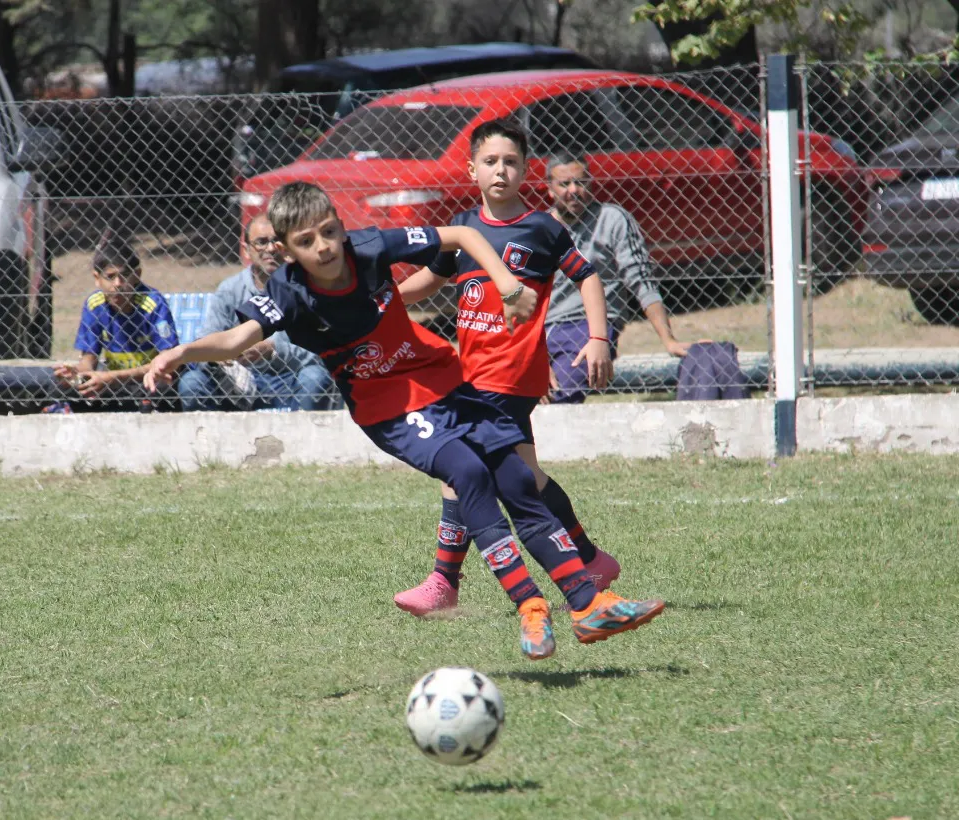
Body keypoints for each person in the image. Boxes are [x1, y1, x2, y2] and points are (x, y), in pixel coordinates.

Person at [144, 181, 664, 661]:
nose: (324, 246)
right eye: (307, 240)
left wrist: (505, 282)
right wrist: (180, 352)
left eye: (330, 230)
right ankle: (531, 609)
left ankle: (585, 603)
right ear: (285, 249)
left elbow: (460, 234)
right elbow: (236, 341)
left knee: (515, 475)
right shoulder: (288, 293)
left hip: (440, 377)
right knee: (468, 471)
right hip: (386, 406)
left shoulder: (370, 248)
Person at [394, 120, 624, 618]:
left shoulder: (541, 229)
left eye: (512, 162)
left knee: (458, 473)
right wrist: (380, 302)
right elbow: (428, 281)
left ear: (526, 171)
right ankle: (590, 559)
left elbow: (588, 278)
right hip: (472, 375)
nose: (501, 170)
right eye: (491, 161)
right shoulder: (463, 228)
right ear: (472, 169)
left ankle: (444, 582)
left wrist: (598, 337)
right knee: (526, 476)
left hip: (509, 375)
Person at [543, 150, 689, 403]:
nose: (573, 191)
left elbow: (641, 280)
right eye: (564, 184)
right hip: (542, 331)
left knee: (561, 392)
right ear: (549, 189)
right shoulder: (539, 227)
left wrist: (669, 340)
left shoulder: (612, 219)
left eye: (581, 182)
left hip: (589, 326)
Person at [178, 214, 337, 411]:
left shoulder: (306, 288)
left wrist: (272, 349)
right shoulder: (230, 289)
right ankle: (206, 441)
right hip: (235, 383)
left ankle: (303, 441)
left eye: (276, 240)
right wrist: (222, 356)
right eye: (261, 242)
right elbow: (205, 338)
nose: (270, 249)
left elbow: (322, 353)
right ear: (246, 250)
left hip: (289, 379)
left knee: (315, 377)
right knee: (192, 383)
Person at [53, 239, 179, 410]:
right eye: (110, 277)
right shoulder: (94, 305)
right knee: (63, 389)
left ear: (137, 275)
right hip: (113, 383)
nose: (118, 284)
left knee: (160, 390)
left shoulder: (153, 304)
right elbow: (88, 360)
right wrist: (76, 374)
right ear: (97, 278)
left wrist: (112, 377)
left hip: (146, 380)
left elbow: (168, 364)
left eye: (125, 276)